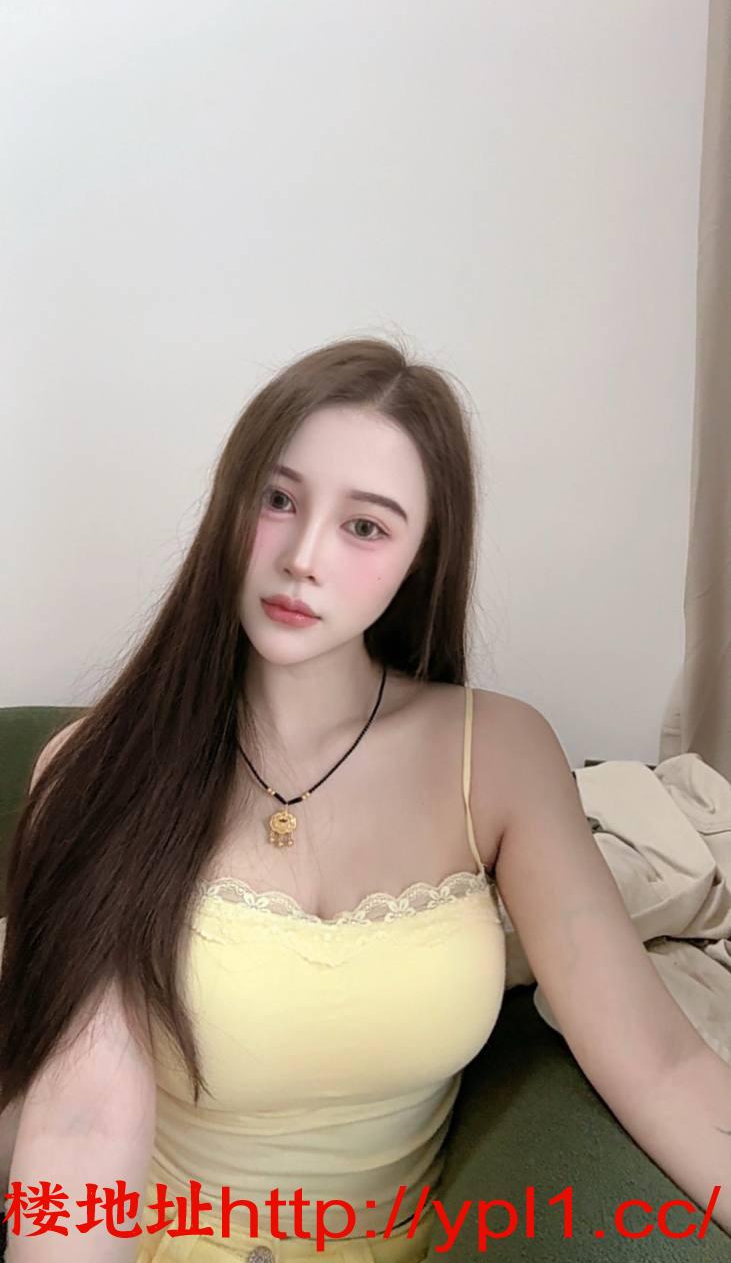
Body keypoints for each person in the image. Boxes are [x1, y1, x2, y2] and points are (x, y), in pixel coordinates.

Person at [0, 337, 729, 1262]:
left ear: (420, 555)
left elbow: (657, 1061)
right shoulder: (98, 767)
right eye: (277, 500)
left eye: (365, 526)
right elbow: (81, 1126)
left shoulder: (496, 755)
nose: (303, 557)